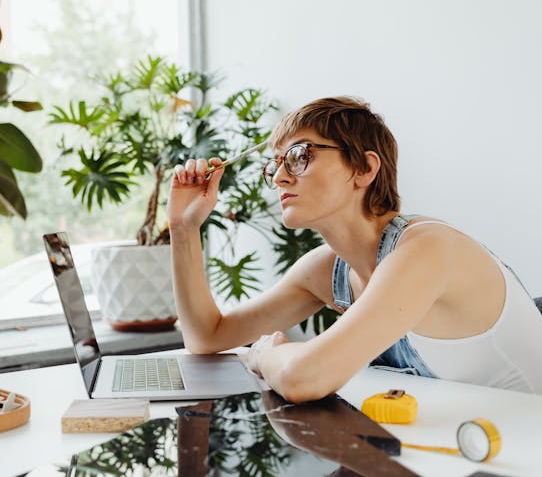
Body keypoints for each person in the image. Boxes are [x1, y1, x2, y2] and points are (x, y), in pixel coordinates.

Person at [167, 96, 542, 402]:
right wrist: (184, 230)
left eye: (299, 156)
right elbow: (206, 337)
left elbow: (305, 379)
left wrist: (265, 355)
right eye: (275, 164)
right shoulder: (327, 271)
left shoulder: (430, 249)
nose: (280, 175)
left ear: (364, 167)